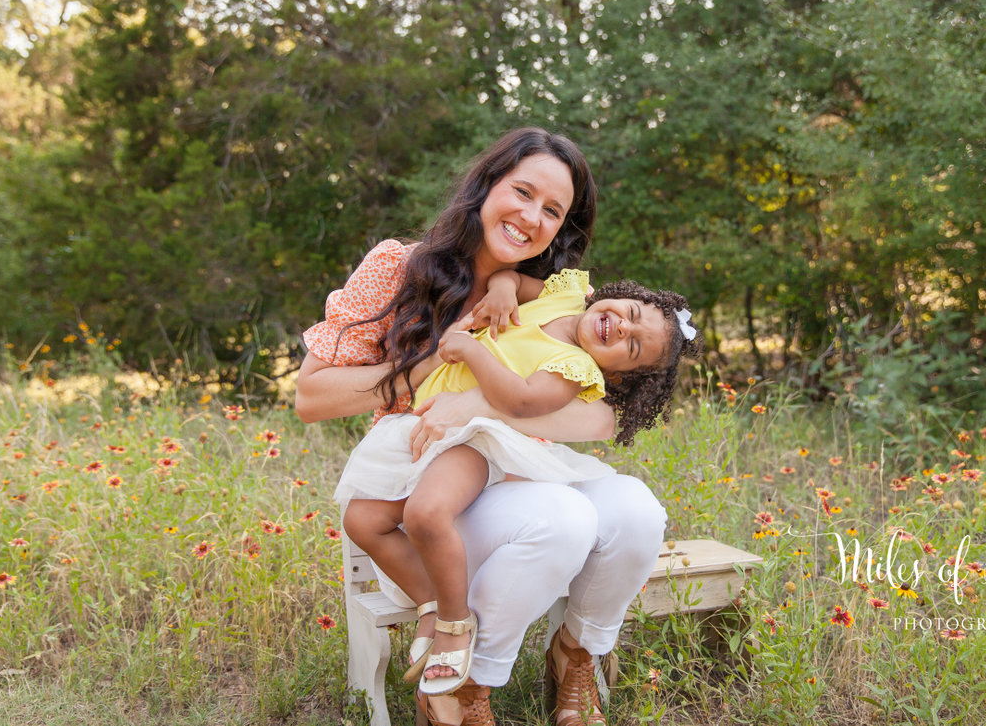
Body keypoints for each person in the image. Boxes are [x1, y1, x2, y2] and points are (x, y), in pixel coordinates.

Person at [295, 128, 675, 726]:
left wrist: (477, 403)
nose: (531, 217)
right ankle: (466, 680)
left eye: (552, 210)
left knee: (636, 508)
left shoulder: (565, 305)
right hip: (424, 490)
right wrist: (435, 364)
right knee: (567, 517)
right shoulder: (400, 265)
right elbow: (311, 398)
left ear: (563, 227)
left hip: (509, 467)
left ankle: (575, 654)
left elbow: (604, 418)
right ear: (484, 186)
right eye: (522, 192)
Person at [334, 267, 698, 701]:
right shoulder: (566, 295)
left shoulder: (575, 367)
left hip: (473, 441)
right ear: (619, 295)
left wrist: (471, 349)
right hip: (423, 426)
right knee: (361, 519)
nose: (622, 325)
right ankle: (430, 601)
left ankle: (456, 627)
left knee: (427, 512)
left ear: (619, 376)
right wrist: (505, 290)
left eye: (632, 345)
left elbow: (520, 401)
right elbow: (511, 278)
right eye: (631, 312)